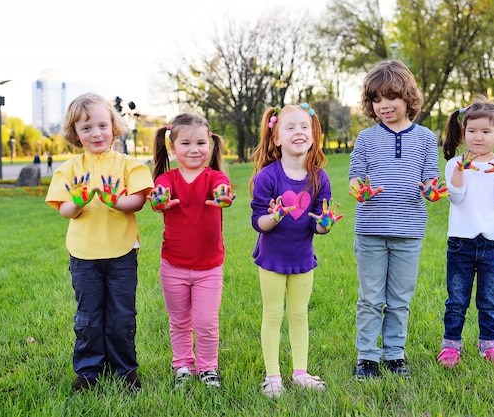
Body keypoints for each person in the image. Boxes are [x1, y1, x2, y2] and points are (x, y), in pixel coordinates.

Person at [45, 92, 154, 392]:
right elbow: (65, 210)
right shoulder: (68, 170)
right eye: (86, 128)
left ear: (113, 126)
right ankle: (88, 371)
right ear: (75, 134)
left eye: (102, 125)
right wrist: (78, 201)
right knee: (89, 316)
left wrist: (116, 201)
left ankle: (124, 369)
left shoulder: (129, 165)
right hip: (83, 254)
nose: (96, 133)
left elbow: (139, 201)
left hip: (121, 252)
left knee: (121, 315)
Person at [348, 60, 445, 380]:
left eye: (390, 97)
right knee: (371, 297)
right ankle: (367, 356)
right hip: (371, 230)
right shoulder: (365, 139)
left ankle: (394, 354)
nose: (383, 106)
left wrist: (432, 192)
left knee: (399, 299)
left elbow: (432, 179)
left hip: (408, 231)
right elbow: (355, 179)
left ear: (408, 98)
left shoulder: (427, 138)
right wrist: (359, 191)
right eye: (375, 100)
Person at [250, 103, 343, 397]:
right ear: (276, 138)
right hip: (272, 259)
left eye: (304, 127)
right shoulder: (268, 177)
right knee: (273, 314)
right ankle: (273, 376)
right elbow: (258, 222)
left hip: (303, 260)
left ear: (314, 135)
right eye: (289, 127)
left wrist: (325, 225)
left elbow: (317, 224)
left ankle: (300, 372)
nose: (298, 132)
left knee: (300, 315)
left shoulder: (320, 178)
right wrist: (274, 216)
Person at [147, 113, 235, 389]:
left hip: (209, 267)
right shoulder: (168, 178)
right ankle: (183, 365)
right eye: (186, 143)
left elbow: (223, 188)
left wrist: (223, 195)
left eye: (200, 142)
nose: (194, 149)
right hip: (173, 265)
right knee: (180, 320)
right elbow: (159, 195)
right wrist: (159, 200)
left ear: (210, 143)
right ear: (173, 147)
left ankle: (208, 368)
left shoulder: (214, 176)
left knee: (206, 321)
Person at [436, 95, 494, 368]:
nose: (478, 137)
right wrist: (460, 170)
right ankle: (451, 345)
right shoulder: (453, 165)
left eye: (485, 132)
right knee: (457, 299)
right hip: (461, 243)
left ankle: (489, 344)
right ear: (463, 133)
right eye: (472, 131)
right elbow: (456, 197)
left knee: (489, 300)